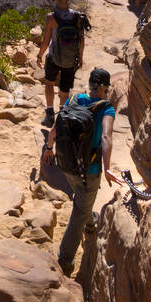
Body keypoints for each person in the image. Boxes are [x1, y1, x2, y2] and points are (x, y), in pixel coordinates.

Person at [44, 66, 120, 276]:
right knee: (78, 213)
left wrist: (49, 148)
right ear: (105, 87)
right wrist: (107, 168)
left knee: (81, 198)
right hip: (90, 169)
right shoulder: (107, 109)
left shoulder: (74, 100)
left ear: (90, 84)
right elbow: (106, 137)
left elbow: (56, 128)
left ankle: (91, 221)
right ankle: (65, 260)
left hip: (66, 163)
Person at [37, 0, 90, 124]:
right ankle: (62, 115)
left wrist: (39, 55)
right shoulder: (78, 17)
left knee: (49, 82)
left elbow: (46, 41)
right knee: (65, 88)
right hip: (70, 59)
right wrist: (80, 56)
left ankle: (49, 114)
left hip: (54, 57)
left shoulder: (51, 18)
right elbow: (82, 39)